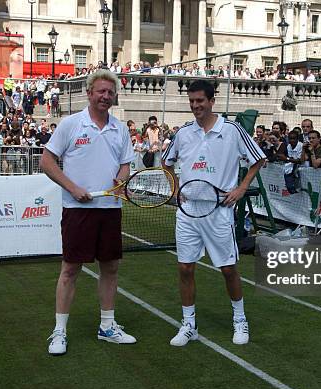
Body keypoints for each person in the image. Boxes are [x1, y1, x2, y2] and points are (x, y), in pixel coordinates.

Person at [161, 79, 265, 346]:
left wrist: (241, 188)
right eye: (192, 101)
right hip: (188, 211)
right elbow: (166, 162)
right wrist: (174, 190)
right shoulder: (184, 133)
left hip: (219, 211)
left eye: (200, 101)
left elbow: (259, 159)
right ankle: (188, 325)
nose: (196, 106)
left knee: (228, 269)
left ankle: (240, 320)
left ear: (211, 101)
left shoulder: (232, 130)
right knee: (185, 267)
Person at [40, 70, 137, 356]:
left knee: (110, 268)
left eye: (110, 92)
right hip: (77, 210)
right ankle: (59, 331)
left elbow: (125, 164)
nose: (106, 96)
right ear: (89, 93)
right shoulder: (71, 124)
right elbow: (47, 162)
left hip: (109, 209)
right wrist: (73, 188)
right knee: (70, 269)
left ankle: (107, 326)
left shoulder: (120, 129)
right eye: (101, 91)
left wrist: (121, 180)